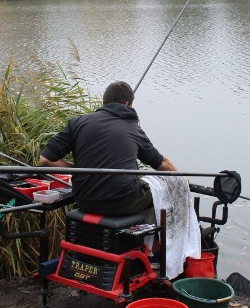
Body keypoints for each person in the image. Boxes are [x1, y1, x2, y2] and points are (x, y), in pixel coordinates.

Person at [39, 80, 175, 219]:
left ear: (104, 101)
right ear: (128, 104)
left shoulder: (77, 123)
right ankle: (161, 239)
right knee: (164, 190)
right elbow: (161, 164)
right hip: (123, 201)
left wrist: (75, 168)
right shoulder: (133, 128)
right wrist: (181, 180)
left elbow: (45, 159)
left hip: (84, 200)